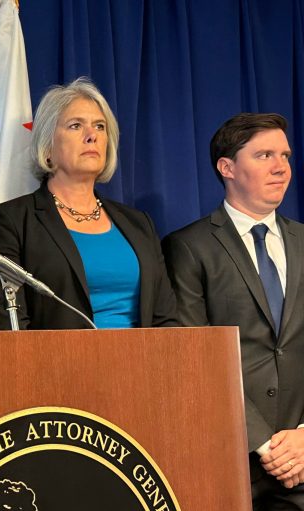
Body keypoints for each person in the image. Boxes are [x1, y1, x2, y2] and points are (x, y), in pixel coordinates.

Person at [162, 113, 304, 508]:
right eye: (264, 155)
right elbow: (193, 356)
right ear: (227, 168)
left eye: (285, 156)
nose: (281, 167)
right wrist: (267, 446)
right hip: (229, 457)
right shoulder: (188, 247)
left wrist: (302, 438)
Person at [0, 77, 177, 330]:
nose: (92, 136)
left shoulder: (139, 224)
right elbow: (9, 328)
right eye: (75, 126)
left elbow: (166, 321)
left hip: (145, 355)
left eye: (100, 126)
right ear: (47, 148)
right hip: (59, 356)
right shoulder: (11, 221)